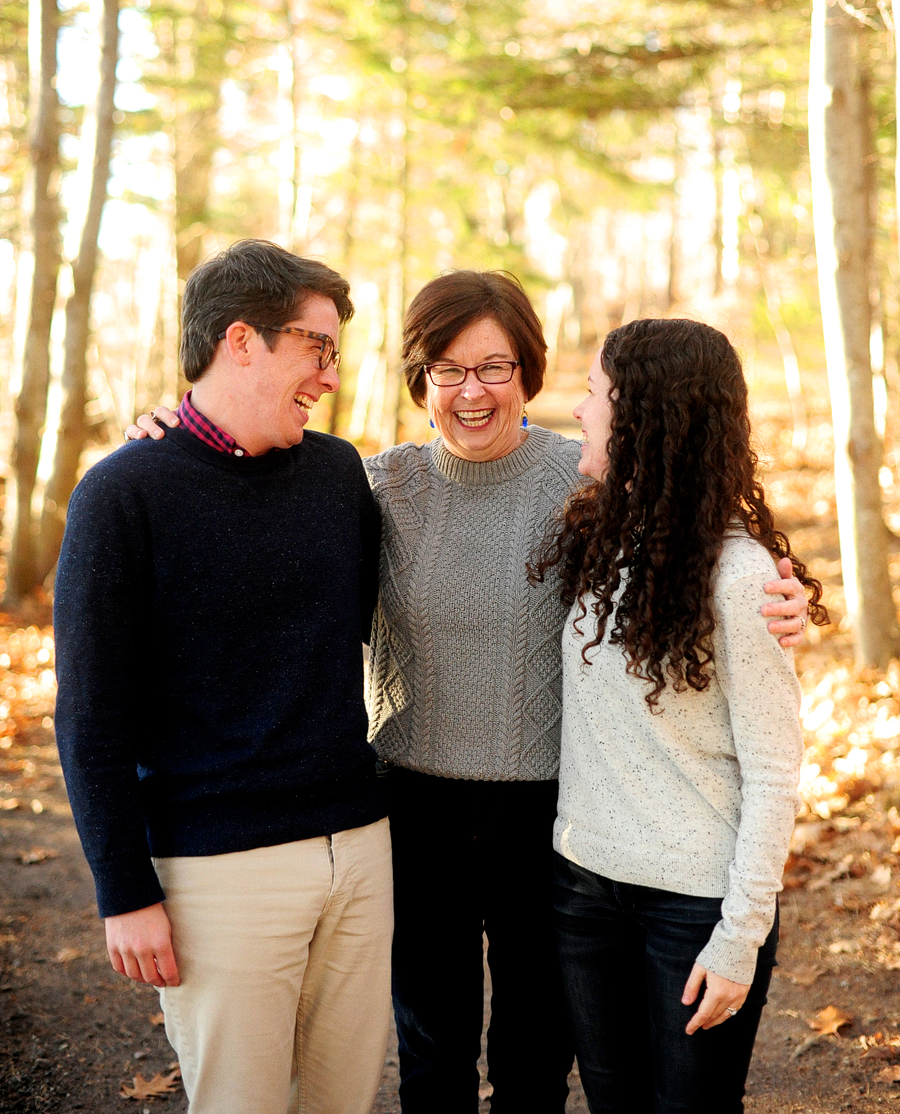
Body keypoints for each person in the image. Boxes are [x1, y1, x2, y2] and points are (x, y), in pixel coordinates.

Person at [131, 272, 811, 1114]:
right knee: (432, 1048)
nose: (472, 390)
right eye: (446, 370)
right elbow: (241, 478)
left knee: (535, 1054)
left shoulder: (594, 479)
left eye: (494, 367)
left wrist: (785, 595)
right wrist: (166, 432)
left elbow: (702, 524)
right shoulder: (370, 487)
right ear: (419, 382)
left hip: (556, 821)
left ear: (528, 373)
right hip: (414, 812)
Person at [55, 240, 393, 1114]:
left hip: (357, 850)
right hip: (220, 871)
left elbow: (369, 624)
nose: (328, 374)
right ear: (242, 340)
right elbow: (91, 716)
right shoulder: (121, 495)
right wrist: (123, 889)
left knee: (342, 1102)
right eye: (317, 348)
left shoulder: (336, 473)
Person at [532, 318, 828, 1114]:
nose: (578, 410)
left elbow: (774, 768)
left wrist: (739, 938)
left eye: (594, 394)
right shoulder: (602, 536)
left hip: (692, 911)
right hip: (585, 892)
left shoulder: (739, 574)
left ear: (641, 418)